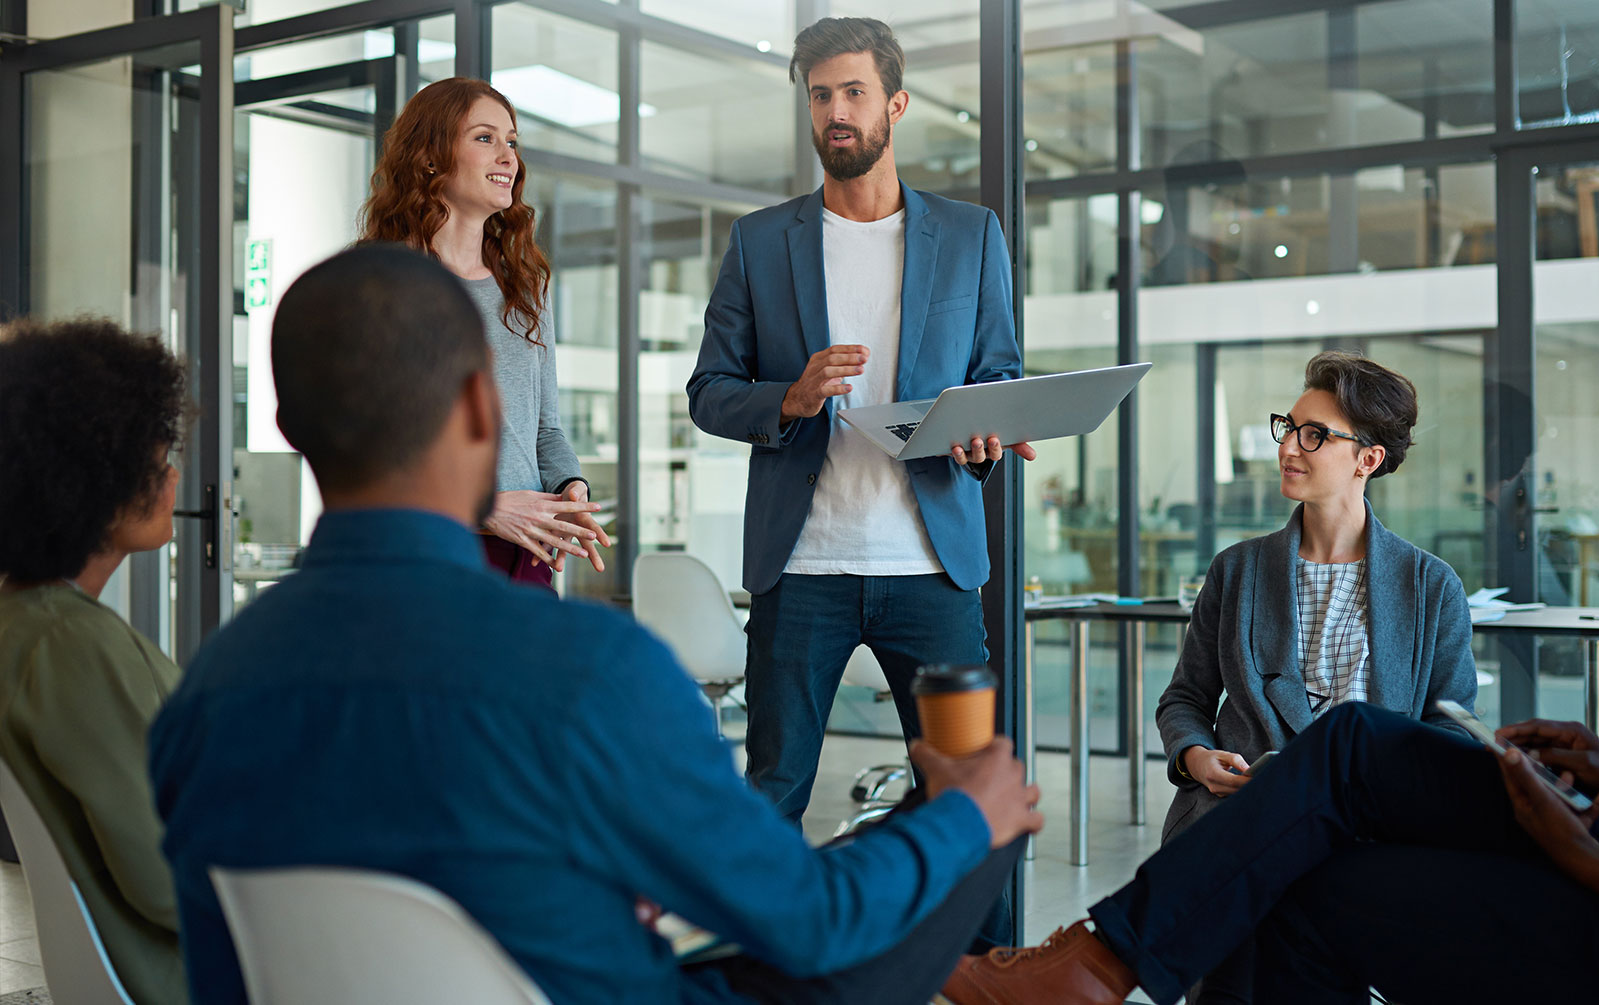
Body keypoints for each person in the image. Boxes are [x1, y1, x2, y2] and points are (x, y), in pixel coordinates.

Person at [939, 274, 1599, 1005]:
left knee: (1334, 806)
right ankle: (1092, 963)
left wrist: (1581, 858)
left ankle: (1094, 964)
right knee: (1349, 751)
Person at [147, 245, 1042, 1005]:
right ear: (479, 411)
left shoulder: (205, 695)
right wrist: (968, 815)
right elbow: (810, 922)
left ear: (289, 431)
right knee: (932, 850)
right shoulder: (588, 671)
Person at [685, 16, 1032, 827]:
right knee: (771, 795)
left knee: (968, 797)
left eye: (853, 92)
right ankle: (765, 957)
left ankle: (976, 960)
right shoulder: (761, 241)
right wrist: (790, 398)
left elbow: (998, 375)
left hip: (934, 568)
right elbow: (708, 390)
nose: (835, 111)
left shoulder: (971, 234)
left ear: (896, 104)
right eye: (819, 96)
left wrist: (979, 444)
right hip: (801, 566)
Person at [1155, 350, 1477, 1002]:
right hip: (1236, 812)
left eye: (1315, 435)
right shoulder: (1236, 571)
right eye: (1289, 426)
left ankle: (1108, 953)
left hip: (1360, 832)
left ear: (1368, 460)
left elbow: (1454, 733)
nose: (1289, 448)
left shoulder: (1429, 586)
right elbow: (1186, 697)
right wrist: (1194, 757)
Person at [0, 318, 189, 1005]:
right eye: (157, 455)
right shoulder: (70, 650)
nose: (172, 474)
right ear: (92, 475)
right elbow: (171, 882)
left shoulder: (26, 622)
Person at [360, 76, 610, 589]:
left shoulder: (525, 287)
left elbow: (545, 430)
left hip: (528, 550)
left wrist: (571, 487)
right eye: (484, 138)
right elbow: (369, 445)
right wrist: (485, 507)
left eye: (512, 141)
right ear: (430, 157)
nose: (508, 157)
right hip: (430, 552)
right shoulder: (382, 280)